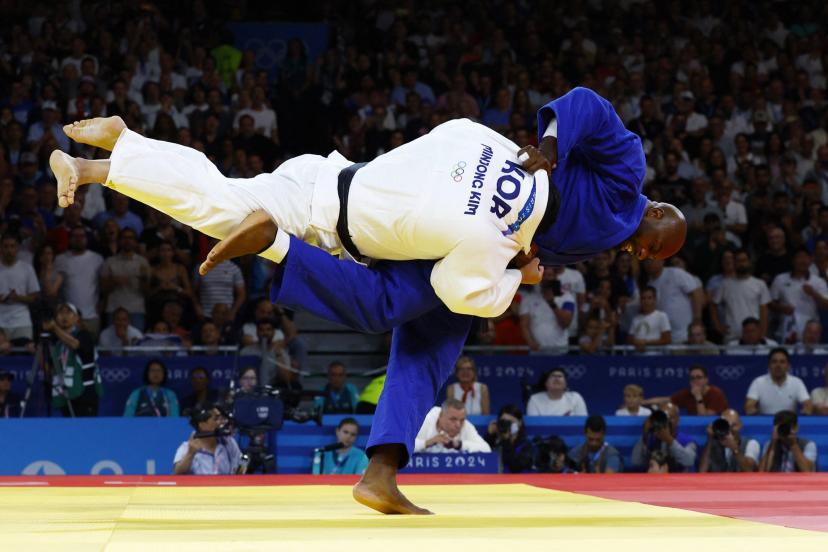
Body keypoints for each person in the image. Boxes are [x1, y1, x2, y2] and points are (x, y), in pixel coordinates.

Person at [59, 88, 687, 514]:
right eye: (656, 246)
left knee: (224, 204)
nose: (644, 256)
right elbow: (586, 107)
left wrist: (518, 254)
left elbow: (466, 148)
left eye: (652, 260)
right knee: (389, 310)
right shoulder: (628, 177)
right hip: (436, 236)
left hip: (405, 202)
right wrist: (547, 156)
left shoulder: (476, 143)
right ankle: (274, 247)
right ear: (658, 207)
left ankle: (115, 156)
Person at [42, 302, 103, 417]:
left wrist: (54, 328)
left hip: (84, 393)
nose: (64, 316)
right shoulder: (57, 343)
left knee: (85, 431)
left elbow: (75, 344)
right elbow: (49, 368)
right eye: (60, 312)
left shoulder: (84, 335)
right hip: (66, 393)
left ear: (76, 318)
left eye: (68, 312)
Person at [54, 226, 104, 336]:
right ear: (70, 239)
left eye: (81, 236)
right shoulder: (60, 259)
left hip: (92, 315)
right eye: (75, 236)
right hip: (68, 317)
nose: (78, 239)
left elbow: (103, 285)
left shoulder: (97, 259)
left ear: (86, 239)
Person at [642, 258, 702, 343]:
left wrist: (697, 318)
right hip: (664, 338)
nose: (648, 263)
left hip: (685, 335)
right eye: (646, 261)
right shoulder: (649, 284)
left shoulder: (675, 273)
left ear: (662, 260)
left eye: (651, 260)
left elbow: (696, 293)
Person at [173, 406, 243, 475]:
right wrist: (190, 453)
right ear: (202, 424)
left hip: (226, 485)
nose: (221, 422)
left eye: (221, 418)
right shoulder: (187, 447)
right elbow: (177, 472)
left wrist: (242, 466)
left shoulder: (229, 442)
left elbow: (242, 464)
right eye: (216, 419)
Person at [745, 347, 813, 416]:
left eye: (782, 362)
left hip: (789, 423)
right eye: (774, 362)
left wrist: (806, 410)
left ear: (788, 366)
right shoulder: (758, 382)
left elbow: (808, 405)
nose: (778, 365)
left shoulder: (797, 382)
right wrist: (751, 410)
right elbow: (749, 406)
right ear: (769, 365)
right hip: (765, 423)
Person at [631, 403, 697, 473]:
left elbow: (689, 461)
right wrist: (645, 434)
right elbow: (636, 461)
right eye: (664, 418)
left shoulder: (686, 440)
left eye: (671, 418)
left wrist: (669, 440)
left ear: (678, 420)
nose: (667, 421)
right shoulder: (651, 438)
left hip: (681, 480)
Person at [0, 233, 40, 345]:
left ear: (17, 248)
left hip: (22, 321)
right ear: (1, 248)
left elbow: (34, 297)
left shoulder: (27, 268)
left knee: (24, 356)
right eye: (6, 246)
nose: (9, 250)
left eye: (12, 246)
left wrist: (18, 298)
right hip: (0, 322)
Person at [413, 398, 491, 454]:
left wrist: (459, 445)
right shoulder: (424, 420)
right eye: (453, 419)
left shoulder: (466, 425)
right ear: (440, 416)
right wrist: (427, 443)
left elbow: (486, 449)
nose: (458, 424)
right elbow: (403, 447)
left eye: (461, 420)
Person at [644, 365, 728, 415]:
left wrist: (698, 397)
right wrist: (641, 402)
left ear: (706, 380)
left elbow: (704, 419)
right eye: (692, 378)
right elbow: (665, 399)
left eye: (699, 377)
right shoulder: (687, 393)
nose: (695, 381)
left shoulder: (716, 393)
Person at [484, 404, 533, 473]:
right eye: (504, 422)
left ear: (520, 422)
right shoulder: (495, 442)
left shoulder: (525, 445)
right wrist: (489, 436)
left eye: (510, 422)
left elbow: (515, 467)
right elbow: (483, 460)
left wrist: (506, 441)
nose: (507, 425)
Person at [626, 286, 672, 352]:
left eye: (649, 298)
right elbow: (629, 339)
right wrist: (636, 342)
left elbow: (667, 339)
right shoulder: (636, 318)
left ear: (655, 299)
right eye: (643, 298)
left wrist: (646, 342)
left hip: (655, 357)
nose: (646, 301)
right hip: (638, 357)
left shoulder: (662, 316)